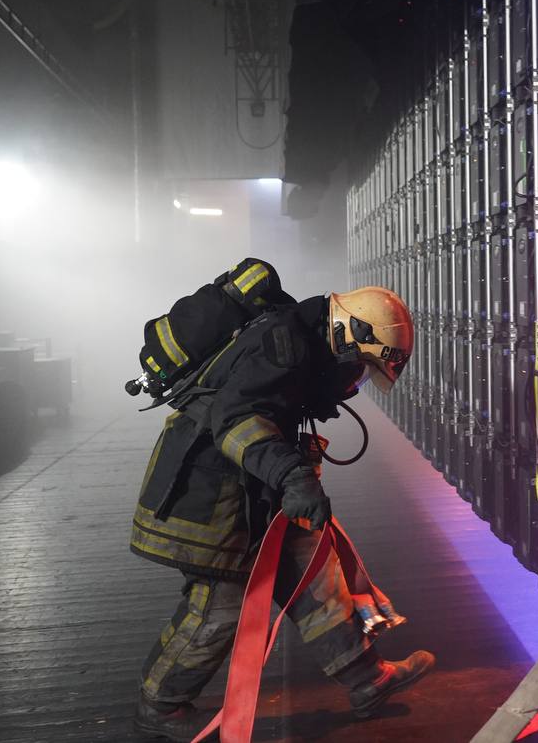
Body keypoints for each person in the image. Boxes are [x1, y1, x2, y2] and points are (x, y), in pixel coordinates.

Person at [130, 285, 435, 741]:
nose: (356, 380)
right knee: (219, 607)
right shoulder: (283, 345)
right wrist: (294, 478)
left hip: (256, 490)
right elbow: (236, 422)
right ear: (347, 335)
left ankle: (366, 680)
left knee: (315, 575)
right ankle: (161, 707)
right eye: (362, 366)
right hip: (208, 494)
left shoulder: (302, 345)